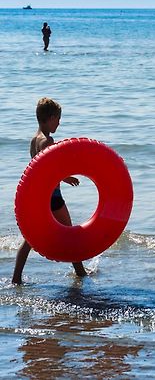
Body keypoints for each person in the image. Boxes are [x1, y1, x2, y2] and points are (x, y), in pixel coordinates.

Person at [12, 97, 87, 285]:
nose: (59, 123)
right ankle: (80, 273)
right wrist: (66, 177)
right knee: (69, 233)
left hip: (39, 196)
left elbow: (37, 170)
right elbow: (49, 170)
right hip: (52, 197)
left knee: (29, 238)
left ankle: (16, 278)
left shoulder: (34, 140)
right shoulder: (47, 141)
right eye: (58, 119)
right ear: (51, 117)